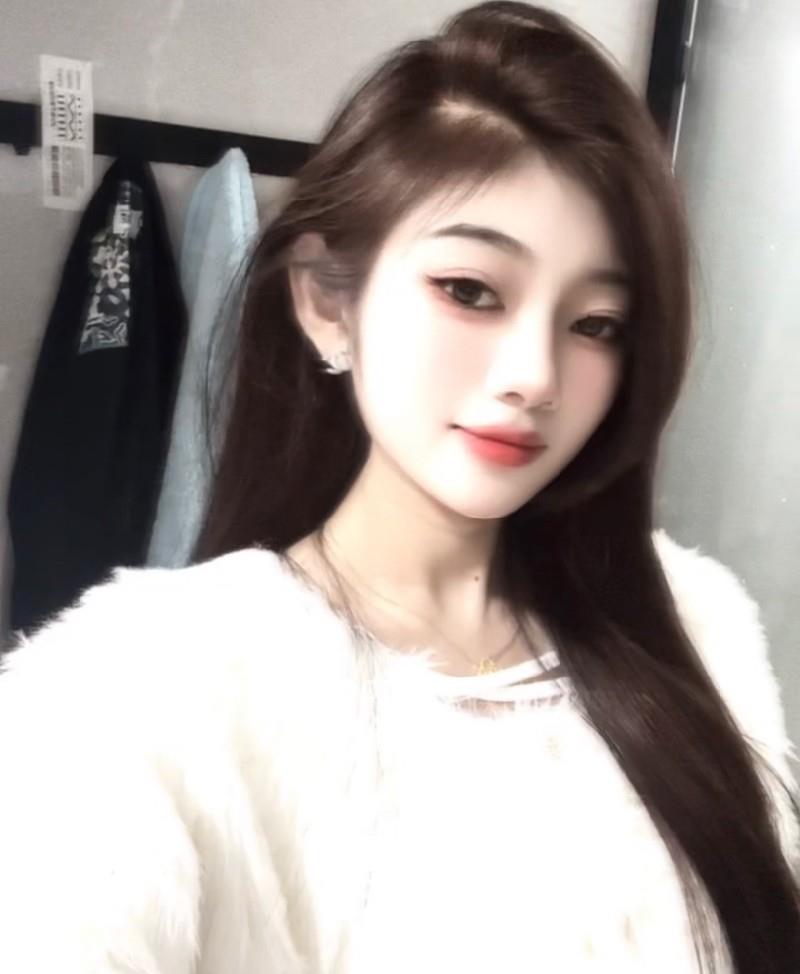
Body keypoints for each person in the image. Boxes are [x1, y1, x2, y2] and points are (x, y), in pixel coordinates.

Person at [1, 3, 798, 972]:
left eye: (595, 324)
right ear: (325, 300)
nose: (533, 375)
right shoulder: (130, 699)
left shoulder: (694, 628)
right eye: (470, 290)